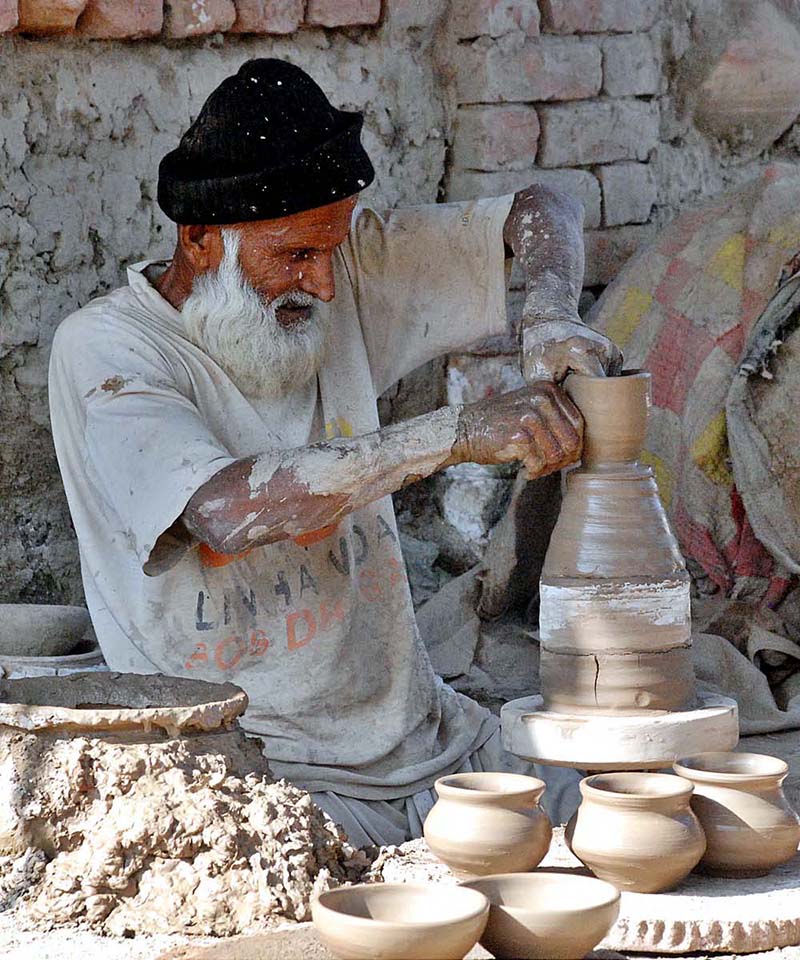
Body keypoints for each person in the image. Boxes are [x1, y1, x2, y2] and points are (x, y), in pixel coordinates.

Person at [49, 58, 620, 846]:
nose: (323, 284)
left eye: (332, 251)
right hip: (259, 773)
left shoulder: (337, 271)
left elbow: (539, 208)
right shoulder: (107, 351)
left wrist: (551, 309)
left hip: (429, 742)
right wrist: (454, 434)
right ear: (200, 238)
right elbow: (224, 511)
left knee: (633, 806)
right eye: (295, 257)